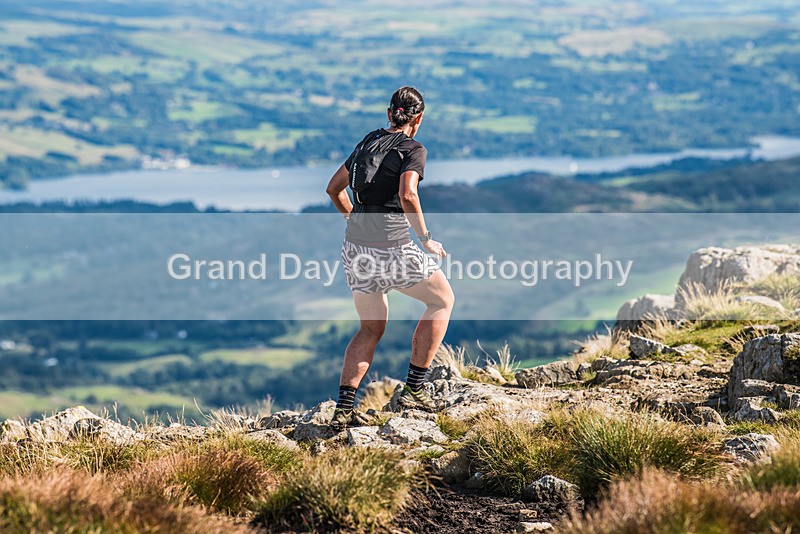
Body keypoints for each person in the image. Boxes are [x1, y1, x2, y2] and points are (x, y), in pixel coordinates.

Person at [325, 86, 455, 428]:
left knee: (369, 328)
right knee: (442, 300)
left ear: (389, 113)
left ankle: (343, 411)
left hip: (355, 248)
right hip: (393, 248)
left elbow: (333, 188)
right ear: (419, 118)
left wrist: (354, 217)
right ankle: (414, 389)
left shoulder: (367, 142)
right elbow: (408, 194)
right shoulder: (413, 150)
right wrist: (426, 239)